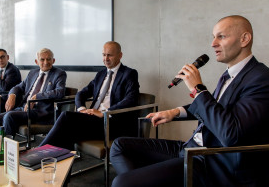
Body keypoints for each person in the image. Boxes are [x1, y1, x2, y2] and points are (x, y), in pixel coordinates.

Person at [110, 15, 269, 187]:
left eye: (221, 36)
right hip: (189, 147)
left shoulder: (261, 78)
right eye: (213, 37)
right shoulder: (229, 75)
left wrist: (198, 88)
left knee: (122, 183)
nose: (213, 43)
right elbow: (214, 109)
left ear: (244, 39)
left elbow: (230, 134)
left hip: (210, 161)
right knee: (120, 146)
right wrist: (175, 112)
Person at [39, 41, 140, 150]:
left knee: (66, 118)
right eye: (104, 55)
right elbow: (81, 94)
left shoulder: (129, 74)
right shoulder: (101, 74)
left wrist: (104, 113)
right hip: (92, 119)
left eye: (109, 55)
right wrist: (82, 109)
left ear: (120, 55)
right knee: (67, 129)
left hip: (112, 123)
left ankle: (39, 153)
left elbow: (131, 99)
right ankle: (53, 158)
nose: (106, 58)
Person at [0, 48, 66, 144]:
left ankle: (4, 151)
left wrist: (37, 96)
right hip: (24, 109)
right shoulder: (33, 73)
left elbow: (60, 92)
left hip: (41, 112)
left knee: (9, 116)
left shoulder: (59, 74)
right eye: (42, 59)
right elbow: (18, 87)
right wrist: (12, 95)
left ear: (53, 60)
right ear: (36, 61)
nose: (46, 62)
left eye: (49, 59)